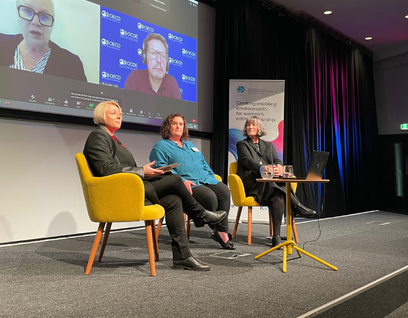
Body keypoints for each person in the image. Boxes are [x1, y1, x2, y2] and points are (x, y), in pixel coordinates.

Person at [83, 101, 227, 271]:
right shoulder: (98, 136)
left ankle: (183, 257)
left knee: (173, 200)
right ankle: (200, 214)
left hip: (130, 187)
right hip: (118, 194)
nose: (119, 115)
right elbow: (105, 169)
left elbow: (119, 168)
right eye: (114, 113)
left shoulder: (113, 139)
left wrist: (147, 172)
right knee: (175, 180)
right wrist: (142, 171)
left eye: (120, 113)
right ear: (101, 115)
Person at [149, 113, 234, 250]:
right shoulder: (161, 146)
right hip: (188, 183)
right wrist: (182, 181)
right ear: (167, 126)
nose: (178, 126)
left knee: (224, 191)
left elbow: (203, 163)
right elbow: (161, 168)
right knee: (209, 197)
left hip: (205, 178)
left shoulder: (189, 145)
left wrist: (212, 176)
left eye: (181, 124)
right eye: (175, 123)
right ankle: (216, 228)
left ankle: (221, 231)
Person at [236, 116, 316, 247]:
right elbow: (248, 161)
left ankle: (276, 236)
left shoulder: (268, 145)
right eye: (248, 125)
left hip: (269, 184)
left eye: (253, 125)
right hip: (253, 182)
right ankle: (297, 205)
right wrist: (264, 169)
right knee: (273, 183)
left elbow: (277, 161)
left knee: (278, 196)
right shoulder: (242, 144)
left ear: (259, 128)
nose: (250, 127)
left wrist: (279, 167)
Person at [0, 0, 87, 81]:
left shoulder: (71, 63)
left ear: (52, 24)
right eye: (28, 11)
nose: (36, 22)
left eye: (44, 16)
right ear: (18, 15)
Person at [124, 33, 182, 99]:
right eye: (153, 53)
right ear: (145, 57)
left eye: (163, 56)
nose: (159, 60)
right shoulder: (135, 78)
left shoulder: (172, 83)